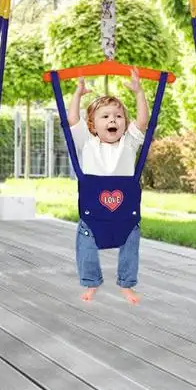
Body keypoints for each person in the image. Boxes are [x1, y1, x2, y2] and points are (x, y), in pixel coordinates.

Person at [67, 68, 149, 304]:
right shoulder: (88, 143)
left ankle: (126, 284)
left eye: (118, 116)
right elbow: (72, 120)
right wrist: (77, 94)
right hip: (94, 208)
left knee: (131, 247)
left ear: (125, 123)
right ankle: (91, 282)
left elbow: (143, 121)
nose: (113, 119)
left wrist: (139, 92)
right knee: (86, 246)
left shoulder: (129, 143)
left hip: (125, 210)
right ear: (92, 125)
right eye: (105, 116)